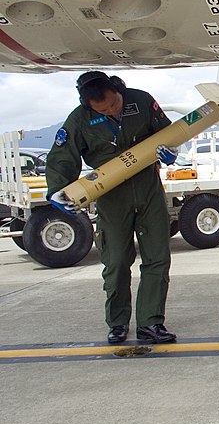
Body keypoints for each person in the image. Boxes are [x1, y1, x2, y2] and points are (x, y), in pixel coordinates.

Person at [46, 71, 178, 344]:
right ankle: (118, 322)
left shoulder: (140, 101)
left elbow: (168, 132)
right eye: (103, 110)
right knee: (116, 261)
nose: (111, 111)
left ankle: (151, 323)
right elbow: (62, 157)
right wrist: (57, 190)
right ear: (89, 106)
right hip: (110, 192)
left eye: (114, 105)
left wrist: (171, 149)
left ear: (118, 90)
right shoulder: (79, 120)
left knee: (158, 257)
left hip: (147, 186)